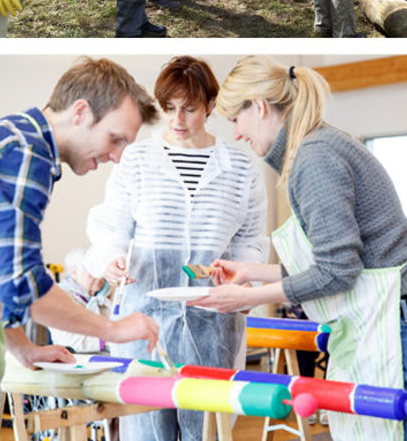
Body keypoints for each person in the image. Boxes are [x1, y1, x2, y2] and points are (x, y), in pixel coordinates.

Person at [0, 57, 161, 441]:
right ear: (80, 112)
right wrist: (113, 329)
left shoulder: (1, 139)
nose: (117, 156)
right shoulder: (27, 155)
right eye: (115, 138)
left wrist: (21, 345)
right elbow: (23, 283)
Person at [193, 56, 407, 441]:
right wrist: (250, 272)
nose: (237, 133)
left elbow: (337, 272)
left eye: (235, 119)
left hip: (396, 327)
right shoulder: (316, 146)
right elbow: (335, 261)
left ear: (259, 107)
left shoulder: (313, 158)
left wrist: (246, 297)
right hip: (388, 317)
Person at [84, 56, 269, 441]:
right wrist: (111, 258)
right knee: (146, 430)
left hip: (213, 323)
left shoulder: (240, 167)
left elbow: (251, 239)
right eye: (169, 108)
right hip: (144, 321)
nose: (177, 120)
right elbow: (112, 225)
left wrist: (243, 281)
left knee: (208, 431)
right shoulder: (136, 160)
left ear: (211, 106)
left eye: (189, 109)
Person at [49, 248, 114, 352]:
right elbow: (67, 340)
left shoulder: (105, 298)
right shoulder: (60, 298)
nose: (99, 276)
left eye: (100, 271)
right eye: (92, 271)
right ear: (74, 272)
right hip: (76, 358)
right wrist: (105, 341)